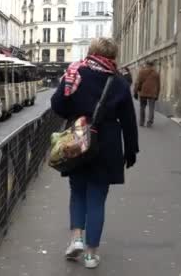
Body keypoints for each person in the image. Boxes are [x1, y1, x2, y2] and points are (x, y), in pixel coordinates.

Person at [51, 38, 139, 269]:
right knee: (97, 199)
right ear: (113, 57)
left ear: (91, 52)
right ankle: (91, 255)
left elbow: (58, 105)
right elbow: (129, 120)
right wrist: (131, 150)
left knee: (77, 191)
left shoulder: (75, 73)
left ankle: (76, 239)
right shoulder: (119, 82)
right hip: (107, 142)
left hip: (78, 138)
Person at [134, 61, 161, 128]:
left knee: (142, 107)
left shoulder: (142, 72)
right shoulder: (156, 74)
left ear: (146, 65)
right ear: (152, 66)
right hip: (153, 93)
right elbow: (158, 85)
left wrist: (135, 91)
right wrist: (157, 95)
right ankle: (149, 122)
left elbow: (138, 82)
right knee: (151, 108)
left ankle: (141, 122)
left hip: (143, 92)